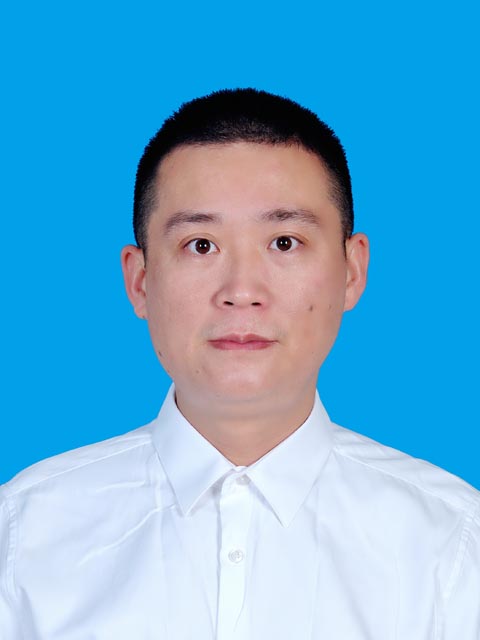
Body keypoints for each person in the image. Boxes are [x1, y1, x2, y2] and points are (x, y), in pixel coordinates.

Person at [1, 88, 478, 639]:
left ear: (351, 271)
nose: (242, 291)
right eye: (201, 245)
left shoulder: (453, 546)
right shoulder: (24, 539)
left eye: (284, 242)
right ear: (140, 281)